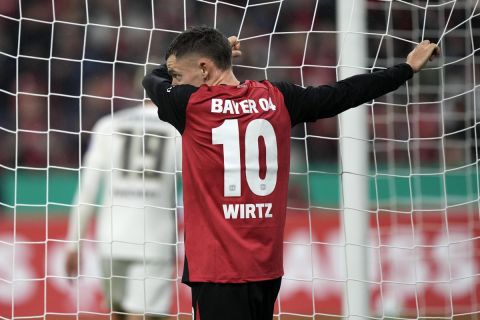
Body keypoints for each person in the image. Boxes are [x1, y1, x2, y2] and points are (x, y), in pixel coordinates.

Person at [142, 26, 439, 320]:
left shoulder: (188, 105)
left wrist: (216, 49)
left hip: (217, 273)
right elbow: (343, 94)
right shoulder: (278, 98)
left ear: (205, 68)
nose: (176, 82)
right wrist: (406, 68)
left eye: (178, 75)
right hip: (265, 270)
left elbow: (151, 79)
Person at [65, 102, 180, 320]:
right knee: (145, 315)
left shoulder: (109, 124)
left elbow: (88, 188)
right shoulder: (177, 127)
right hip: (155, 238)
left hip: (111, 239)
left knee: (118, 313)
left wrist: (73, 243)